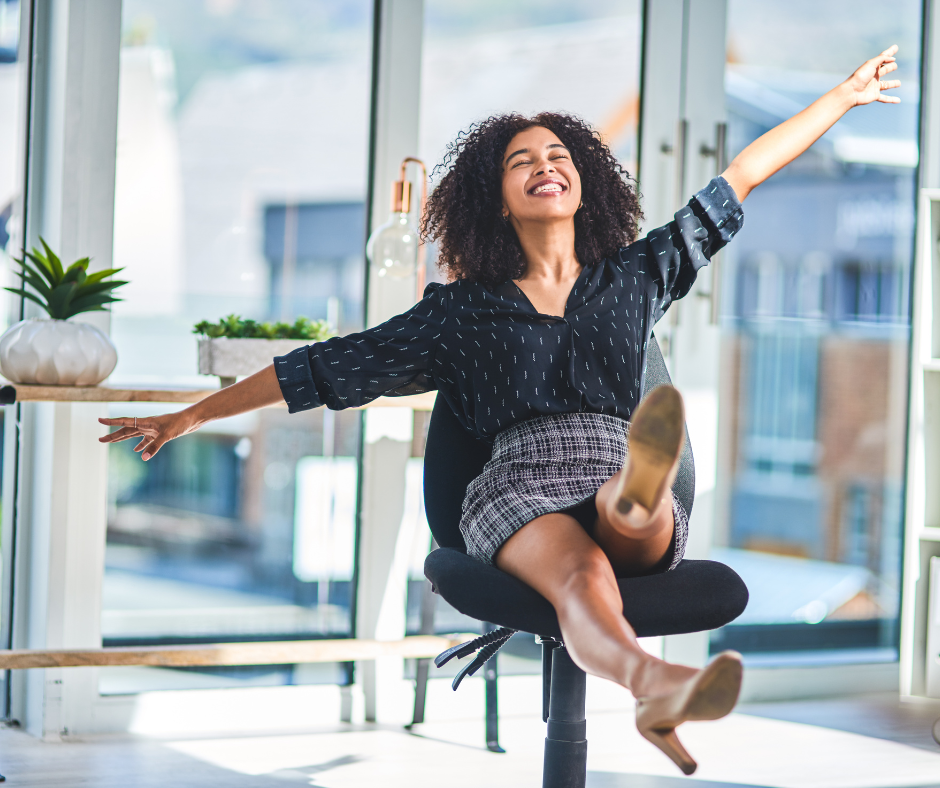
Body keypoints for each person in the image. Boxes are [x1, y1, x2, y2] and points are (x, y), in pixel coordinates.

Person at [99, 46, 901, 774]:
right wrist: (192, 415)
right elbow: (323, 367)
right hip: (516, 486)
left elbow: (743, 177)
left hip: (611, 461)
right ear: (498, 196)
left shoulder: (634, 277)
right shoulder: (460, 311)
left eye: (558, 154)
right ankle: (650, 679)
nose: (544, 164)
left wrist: (842, 97)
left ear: (586, 178)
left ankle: (638, 497)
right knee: (582, 573)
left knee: (632, 515)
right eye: (523, 161)